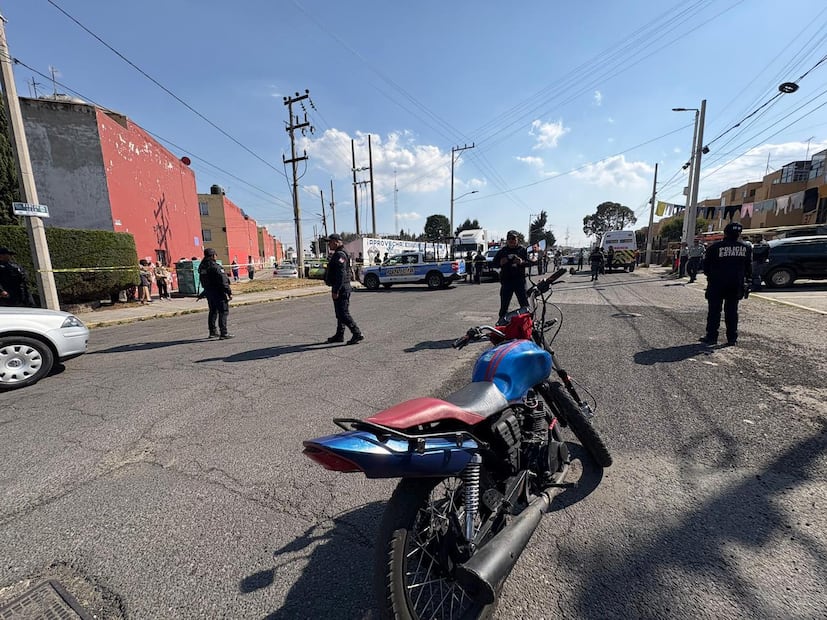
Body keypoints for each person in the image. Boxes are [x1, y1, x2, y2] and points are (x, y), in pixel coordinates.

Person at [700, 222, 752, 347]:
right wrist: (747, 281)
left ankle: (712, 337)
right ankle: (732, 338)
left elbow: (705, 267)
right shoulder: (745, 248)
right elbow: (748, 268)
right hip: (735, 284)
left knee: (714, 311)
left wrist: (711, 276)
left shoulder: (715, 247)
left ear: (725, 233)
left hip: (717, 284)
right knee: (732, 311)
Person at [324, 234, 363, 345]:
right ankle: (339, 335)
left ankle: (357, 333)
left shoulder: (340, 254)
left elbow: (341, 274)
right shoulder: (340, 253)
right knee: (340, 313)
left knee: (343, 313)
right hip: (342, 287)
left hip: (341, 288)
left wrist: (336, 290)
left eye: (330, 242)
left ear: (336, 242)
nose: (328, 244)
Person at [493, 231, 530, 319]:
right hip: (507, 281)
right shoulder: (502, 251)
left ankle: (527, 324)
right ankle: (501, 324)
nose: (511, 241)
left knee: (525, 305)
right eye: (509, 239)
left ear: (517, 240)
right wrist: (500, 262)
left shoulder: (522, 250)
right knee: (504, 307)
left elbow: (531, 262)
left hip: (520, 281)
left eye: (513, 238)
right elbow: (494, 264)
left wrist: (522, 262)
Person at [198, 247, 234, 339]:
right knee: (223, 311)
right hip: (218, 292)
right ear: (213, 256)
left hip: (209, 292)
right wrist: (229, 292)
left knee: (213, 311)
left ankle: (213, 332)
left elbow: (203, 281)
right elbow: (223, 281)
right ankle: (224, 333)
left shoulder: (202, 267)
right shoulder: (215, 267)